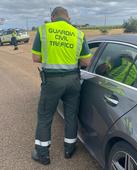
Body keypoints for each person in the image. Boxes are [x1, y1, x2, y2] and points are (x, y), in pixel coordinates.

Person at [31, 6, 92, 165]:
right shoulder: (78, 33)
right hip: (73, 80)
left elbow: (36, 58)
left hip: (52, 81)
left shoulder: (44, 29)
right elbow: (86, 61)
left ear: (52, 17)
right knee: (71, 115)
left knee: (45, 116)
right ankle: (69, 149)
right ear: (68, 17)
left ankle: (42, 154)